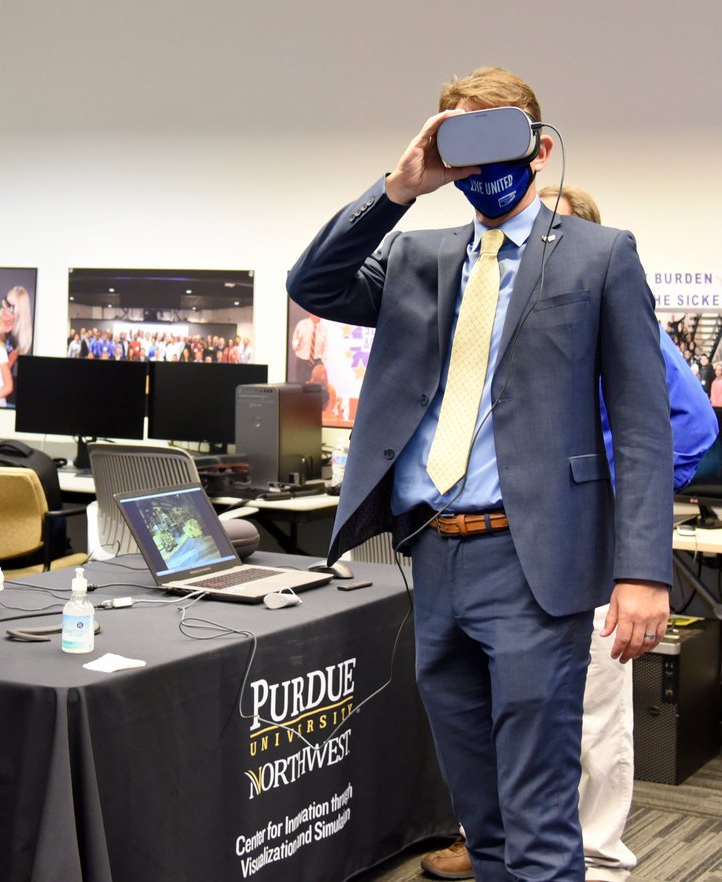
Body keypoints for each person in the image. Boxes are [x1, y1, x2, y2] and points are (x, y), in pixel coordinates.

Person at [286, 67, 672, 882]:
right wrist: (400, 188)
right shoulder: (416, 257)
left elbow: (642, 426)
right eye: (464, 137)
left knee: (537, 820)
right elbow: (313, 284)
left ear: (538, 149)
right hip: (434, 557)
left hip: (533, 563)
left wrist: (643, 571)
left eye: (498, 135)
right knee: (480, 815)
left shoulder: (600, 256)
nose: (483, 159)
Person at [418, 185, 717, 882]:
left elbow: (690, 430)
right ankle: (498, 845)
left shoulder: (607, 302)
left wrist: (604, 503)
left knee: (591, 719)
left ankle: (597, 856)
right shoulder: (498, 316)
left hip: (575, 549)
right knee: (499, 724)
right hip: (489, 546)